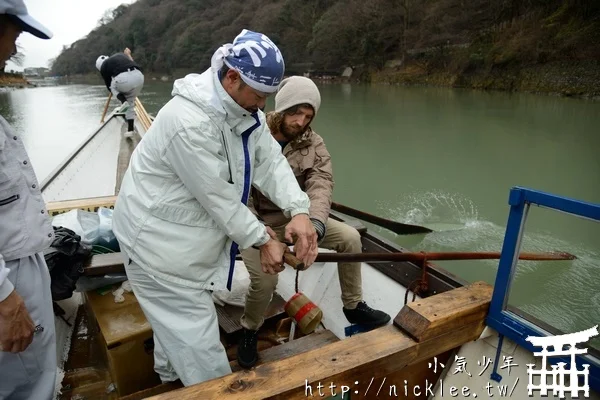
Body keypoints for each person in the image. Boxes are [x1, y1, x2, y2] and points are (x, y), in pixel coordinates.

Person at [111, 29, 318, 386]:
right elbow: (217, 197)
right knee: (208, 366)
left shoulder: (241, 108)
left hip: (186, 245)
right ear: (233, 77)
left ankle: (170, 382)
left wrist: (299, 209)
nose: (264, 106)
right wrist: (262, 238)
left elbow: (268, 160)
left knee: (175, 337)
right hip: (158, 251)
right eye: (259, 95)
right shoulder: (188, 122)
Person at [236, 76, 391, 368]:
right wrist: (262, 236)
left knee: (349, 238)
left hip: (301, 218)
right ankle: (250, 329)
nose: (300, 122)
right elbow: (239, 195)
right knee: (266, 280)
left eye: (308, 116)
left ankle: (353, 306)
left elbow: (321, 184)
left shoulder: (313, 143)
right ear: (281, 109)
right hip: (256, 224)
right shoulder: (253, 134)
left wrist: (315, 226)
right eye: (295, 113)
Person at [0, 2, 57, 399]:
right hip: (8, 275)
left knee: (35, 369)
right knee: (26, 378)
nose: (14, 45)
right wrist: (5, 299)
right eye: (13, 32)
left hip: (21, 264)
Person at [96, 47, 144, 138]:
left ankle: (123, 101)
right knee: (131, 103)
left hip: (125, 79)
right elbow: (132, 62)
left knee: (112, 86)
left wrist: (119, 95)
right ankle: (130, 130)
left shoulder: (103, 67)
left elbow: (109, 86)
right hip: (140, 77)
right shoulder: (121, 56)